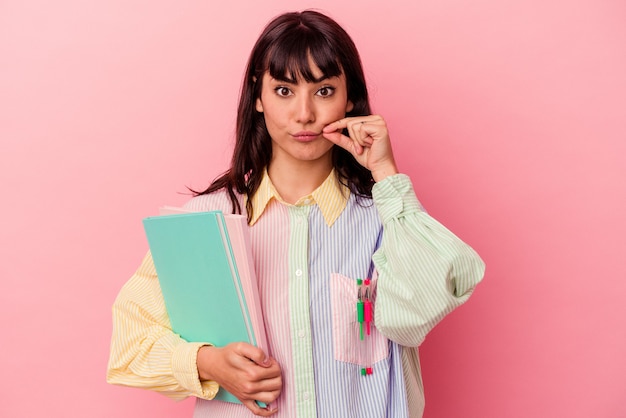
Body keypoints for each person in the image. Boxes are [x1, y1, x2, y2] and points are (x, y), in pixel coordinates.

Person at [107, 9, 485, 418]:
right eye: (284, 90)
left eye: (323, 91)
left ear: (350, 98)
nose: (304, 113)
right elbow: (130, 344)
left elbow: (416, 313)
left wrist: (386, 175)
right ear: (258, 96)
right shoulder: (204, 223)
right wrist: (206, 363)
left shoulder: (385, 218)